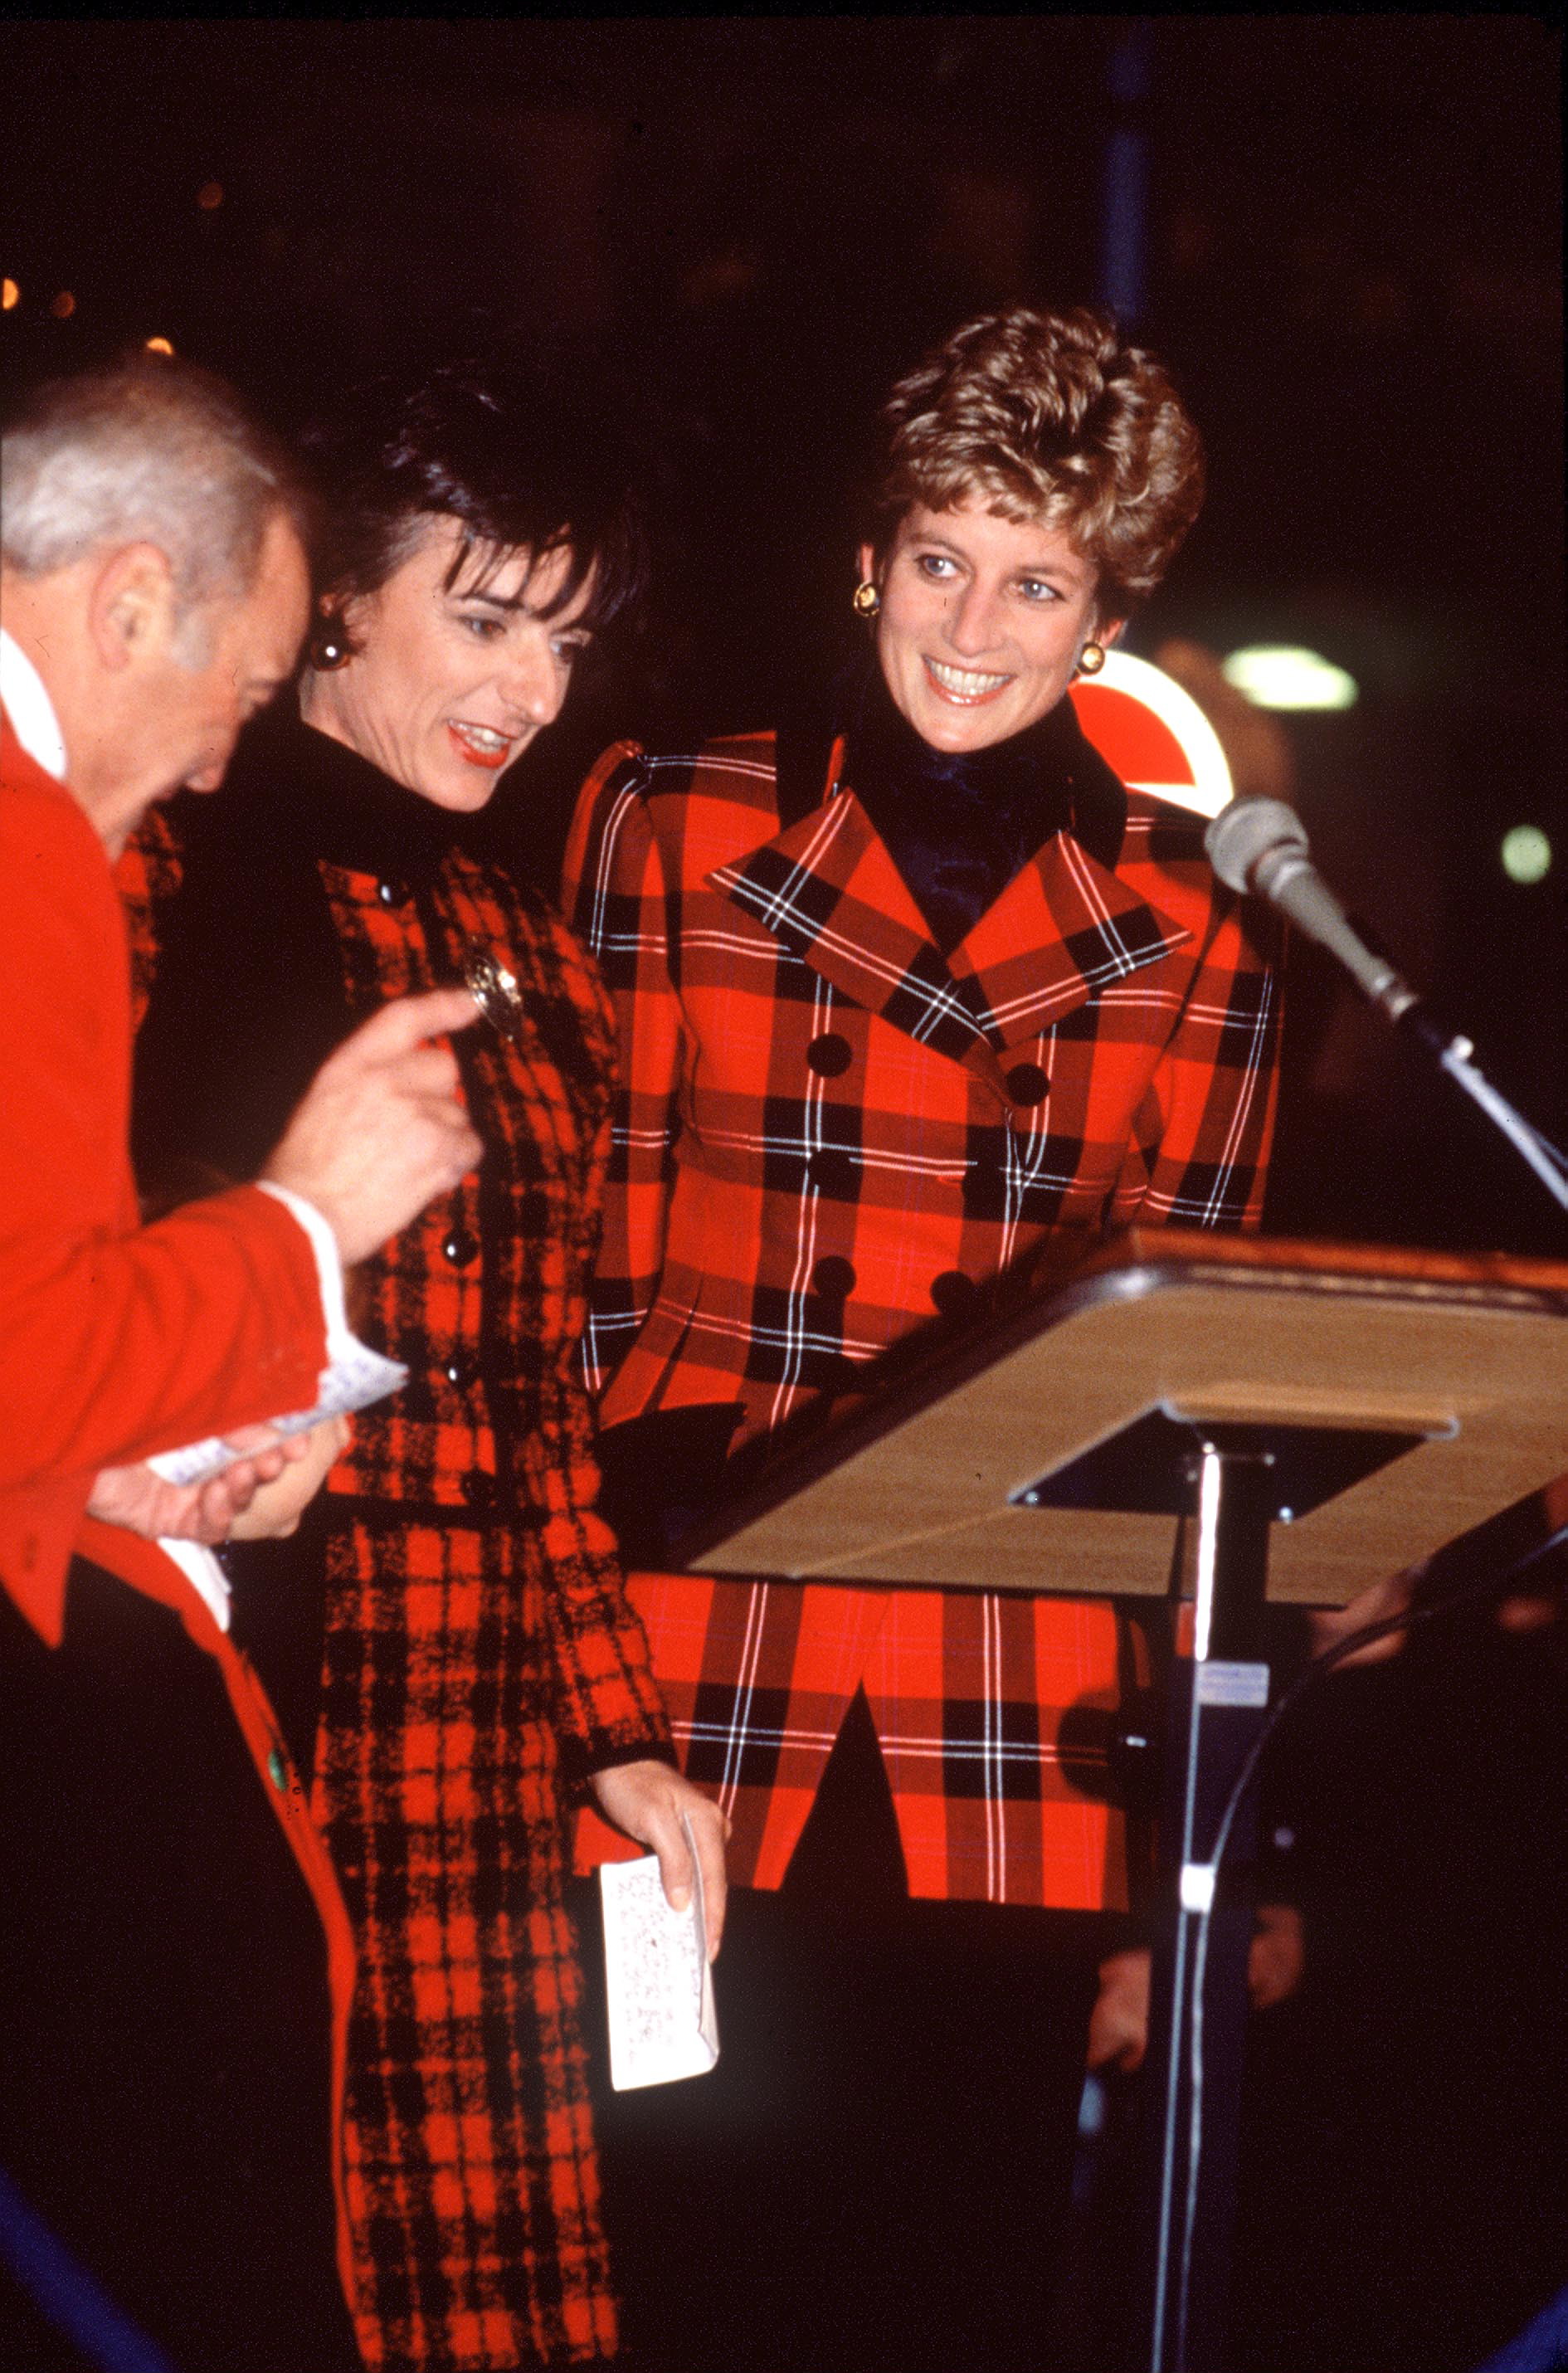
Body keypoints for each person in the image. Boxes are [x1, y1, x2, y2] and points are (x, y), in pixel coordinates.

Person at [563, 304, 1283, 2370]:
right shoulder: (670, 810)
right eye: (943, 557)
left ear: (1105, 619)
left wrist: (1206, 1850)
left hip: (1014, 1684)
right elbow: (571, 1268)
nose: (976, 624)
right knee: (663, 2246)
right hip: (694, 1649)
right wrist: (558, 1664)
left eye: (1038, 580)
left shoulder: (1202, 914)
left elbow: (1203, 1415)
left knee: (952, 2272)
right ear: (868, 560)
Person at [123, 357, 729, 2373]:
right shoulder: (168, 863)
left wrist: (617, 1728)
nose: (528, 692)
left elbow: (539, 1391)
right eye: (483, 619)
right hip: (230, 1670)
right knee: (236, 2256)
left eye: (564, 642)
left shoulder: (529, 937)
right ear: (336, 600)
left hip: (473, 1718)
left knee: (487, 2304)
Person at [0, 352, 483, 2371]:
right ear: (126, 602)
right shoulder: (24, 841)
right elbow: (25, 1352)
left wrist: (101, 1465)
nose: (218, 762)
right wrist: (305, 1217)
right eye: (243, 680)